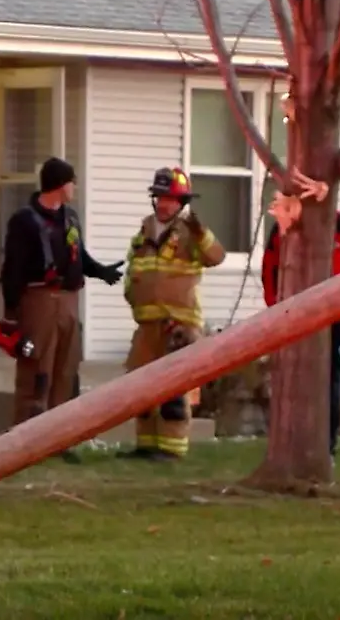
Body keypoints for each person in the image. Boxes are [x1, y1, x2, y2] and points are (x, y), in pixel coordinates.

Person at [0, 157, 123, 458]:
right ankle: (26, 442)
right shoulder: (24, 221)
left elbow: (78, 256)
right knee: (36, 369)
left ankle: (58, 441)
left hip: (68, 301)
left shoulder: (71, 218)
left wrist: (100, 271)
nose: (74, 187)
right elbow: (12, 269)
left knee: (65, 371)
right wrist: (11, 314)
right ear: (58, 185)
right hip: (38, 300)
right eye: (71, 181)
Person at [117, 167, 226, 461]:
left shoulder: (190, 233)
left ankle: (172, 448)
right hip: (147, 324)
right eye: (160, 198)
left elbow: (216, 256)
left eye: (170, 199)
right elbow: (135, 269)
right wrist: (131, 293)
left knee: (173, 390)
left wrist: (201, 234)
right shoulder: (144, 231)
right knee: (140, 386)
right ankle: (146, 444)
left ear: (181, 202)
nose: (164, 204)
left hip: (179, 324)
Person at [261, 209, 340, 463]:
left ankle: (326, 447)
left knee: (328, 383)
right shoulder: (285, 226)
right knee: (291, 381)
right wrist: (275, 309)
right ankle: (290, 445)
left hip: (336, 318)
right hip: (293, 318)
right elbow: (270, 268)